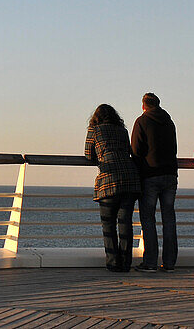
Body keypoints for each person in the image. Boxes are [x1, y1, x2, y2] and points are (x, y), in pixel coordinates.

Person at [85, 104, 141, 272]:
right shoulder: (122, 131)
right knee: (125, 224)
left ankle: (112, 262)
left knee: (108, 224)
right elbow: (128, 151)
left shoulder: (94, 130)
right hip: (130, 180)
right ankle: (125, 263)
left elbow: (88, 154)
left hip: (109, 180)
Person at [131, 92, 178, 272]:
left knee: (148, 218)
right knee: (169, 218)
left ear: (143, 106)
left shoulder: (141, 121)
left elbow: (136, 150)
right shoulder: (169, 122)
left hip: (150, 175)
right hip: (170, 174)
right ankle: (169, 262)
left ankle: (150, 262)